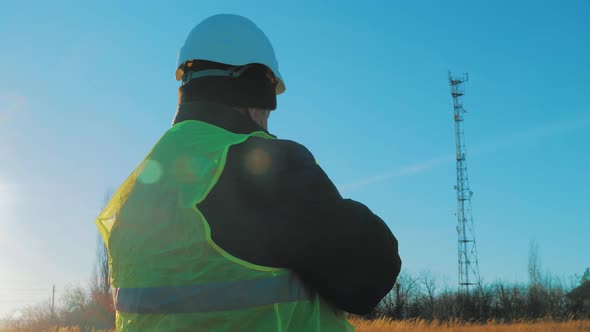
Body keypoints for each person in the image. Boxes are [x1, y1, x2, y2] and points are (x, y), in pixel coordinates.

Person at [96, 14, 401, 332]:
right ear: (250, 84)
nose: (269, 116)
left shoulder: (136, 190)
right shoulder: (263, 163)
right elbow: (372, 274)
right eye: (269, 97)